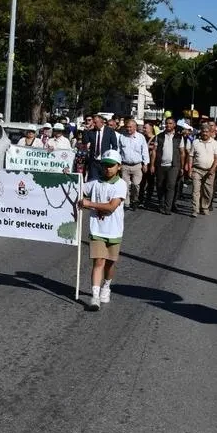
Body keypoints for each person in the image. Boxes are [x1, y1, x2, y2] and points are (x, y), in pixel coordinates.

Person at [79, 148, 127, 311]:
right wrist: (67, 175)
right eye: (105, 165)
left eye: (111, 165)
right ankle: (95, 296)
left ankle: (106, 286)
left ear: (119, 166)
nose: (107, 168)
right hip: (97, 230)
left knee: (110, 264)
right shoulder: (95, 183)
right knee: (98, 261)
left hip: (114, 230)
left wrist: (89, 203)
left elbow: (112, 207)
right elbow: (77, 187)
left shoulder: (121, 185)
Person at [149, 116, 187, 215]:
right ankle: (161, 205)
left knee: (170, 186)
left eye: (170, 123)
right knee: (160, 185)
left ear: (174, 125)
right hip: (160, 165)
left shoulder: (179, 137)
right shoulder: (159, 136)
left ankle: (167, 208)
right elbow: (154, 151)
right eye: (167, 123)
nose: (168, 125)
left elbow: (182, 153)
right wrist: (152, 165)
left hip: (173, 166)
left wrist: (182, 167)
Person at [189, 121, 217, 217]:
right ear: (201, 132)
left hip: (210, 171)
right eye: (203, 131)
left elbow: (216, 157)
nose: (205, 133)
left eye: (207, 131)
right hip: (197, 169)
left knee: (208, 191)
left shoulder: (215, 143)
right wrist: (190, 168)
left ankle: (205, 207)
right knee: (195, 191)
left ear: (210, 132)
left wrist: (213, 169)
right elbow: (191, 156)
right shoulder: (195, 142)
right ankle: (195, 210)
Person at [120, 118, 149, 210]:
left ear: (135, 127)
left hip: (137, 166)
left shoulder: (141, 137)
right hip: (125, 165)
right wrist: (118, 163)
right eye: (127, 127)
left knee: (136, 185)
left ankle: (135, 200)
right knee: (125, 186)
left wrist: (145, 164)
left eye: (130, 127)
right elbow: (119, 150)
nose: (128, 129)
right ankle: (126, 203)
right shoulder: (122, 137)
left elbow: (145, 151)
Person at [84, 114, 119, 180]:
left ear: (101, 122)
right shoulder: (91, 131)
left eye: (95, 122)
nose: (93, 124)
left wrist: (110, 157)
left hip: (104, 162)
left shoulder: (109, 131)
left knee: (104, 180)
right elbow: (85, 141)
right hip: (94, 161)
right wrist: (86, 130)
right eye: (93, 122)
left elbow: (114, 146)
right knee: (92, 180)